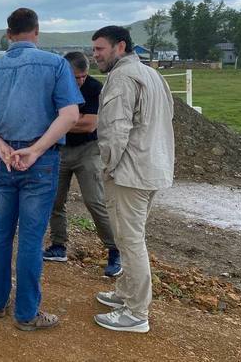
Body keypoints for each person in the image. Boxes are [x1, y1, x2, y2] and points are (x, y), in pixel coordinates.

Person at [0, 8, 82, 331]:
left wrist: (1, 146)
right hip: (39, 160)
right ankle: (27, 313)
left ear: (8, 33)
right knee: (30, 237)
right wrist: (36, 149)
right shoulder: (55, 64)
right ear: (37, 31)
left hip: (5, 160)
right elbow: (70, 115)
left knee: (2, 232)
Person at [91, 25, 174, 334]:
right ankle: (125, 293)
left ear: (120, 46)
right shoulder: (152, 74)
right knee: (131, 236)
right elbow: (168, 117)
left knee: (130, 239)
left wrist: (108, 165)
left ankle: (136, 312)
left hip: (129, 173)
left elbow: (115, 127)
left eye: (100, 49)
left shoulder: (122, 77)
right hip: (153, 168)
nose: (95, 54)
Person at [43, 51, 122, 278]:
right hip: (60, 150)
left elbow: (89, 125)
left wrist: (59, 123)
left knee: (94, 200)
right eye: (75, 76)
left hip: (88, 150)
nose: (79, 81)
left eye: (83, 76)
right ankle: (58, 246)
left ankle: (115, 250)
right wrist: (65, 122)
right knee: (54, 200)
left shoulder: (95, 89)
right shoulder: (55, 87)